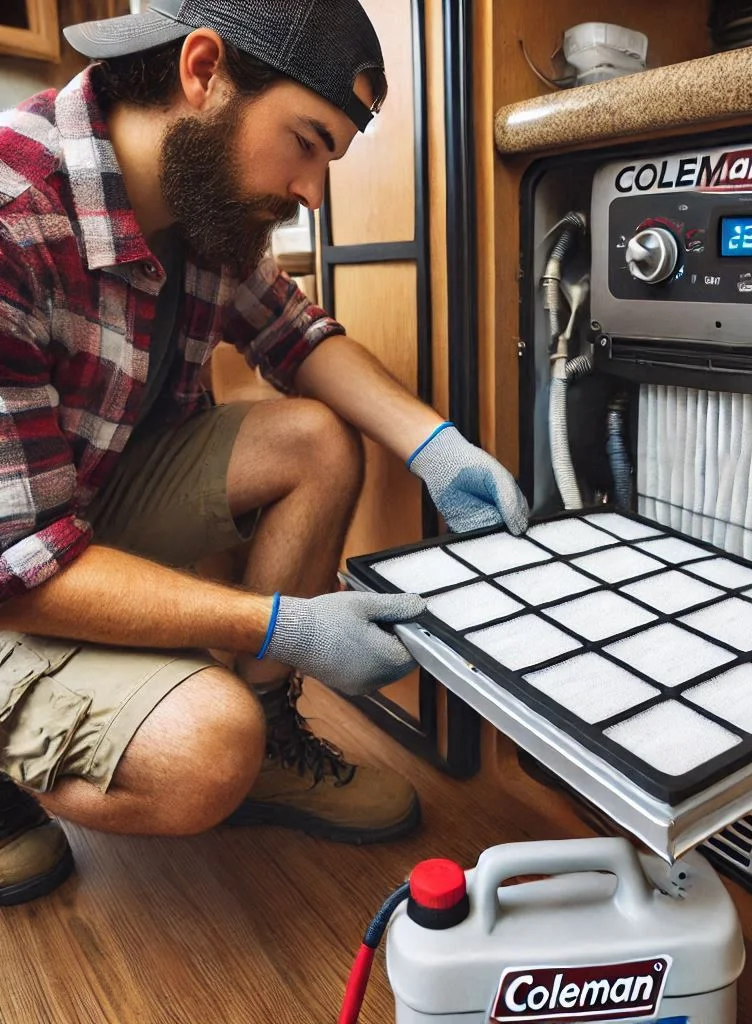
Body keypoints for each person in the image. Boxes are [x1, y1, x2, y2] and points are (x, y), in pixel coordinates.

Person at [0, 0, 529, 907]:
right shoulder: (14, 221)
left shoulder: (200, 199)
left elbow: (299, 338)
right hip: (16, 565)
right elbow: (23, 563)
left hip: (75, 511)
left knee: (317, 436)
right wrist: (285, 624)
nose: (315, 193)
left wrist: (436, 446)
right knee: (208, 747)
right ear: (203, 70)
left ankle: (271, 728)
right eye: (307, 141)